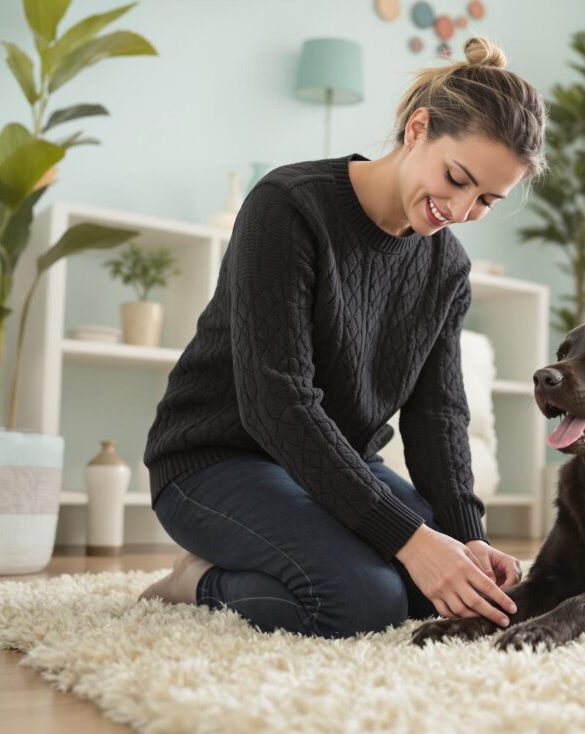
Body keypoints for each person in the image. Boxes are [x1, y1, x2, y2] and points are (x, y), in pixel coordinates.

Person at [139, 37, 548, 639]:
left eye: (487, 200)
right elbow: (276, 404)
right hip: (215, 459)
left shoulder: (446, 270)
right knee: (363, 601)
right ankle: (196, 582)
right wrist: (409, 539)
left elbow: (437, 418)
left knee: (445, 591)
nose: (460, 210)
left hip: (335, 464)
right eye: (457, 178)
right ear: (417, 129)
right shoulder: (288, 206)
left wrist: (468, 539)